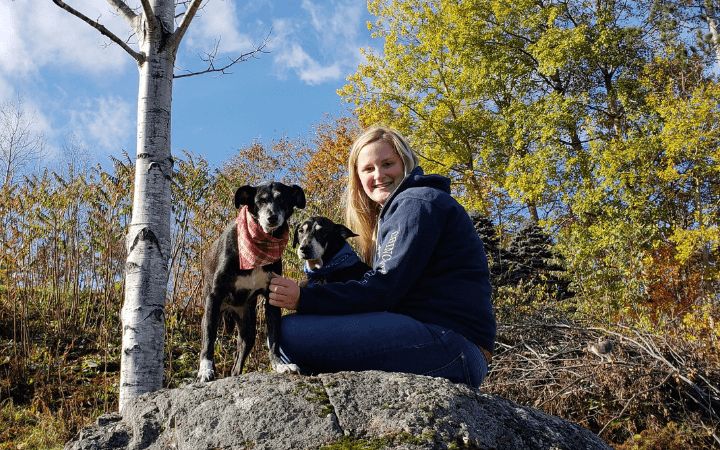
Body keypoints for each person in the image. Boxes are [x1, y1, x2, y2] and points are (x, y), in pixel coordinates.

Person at [268, 126, 496, 388]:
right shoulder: (408, 206)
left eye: (388, 163)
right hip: (451, 344)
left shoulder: (417, 202)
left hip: (451, 344)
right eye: (368, 169)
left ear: (406, 163)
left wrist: (302, 298)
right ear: (358, 176)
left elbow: (383, 289)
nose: (379, 175)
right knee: (304, 333)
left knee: (288, 333)